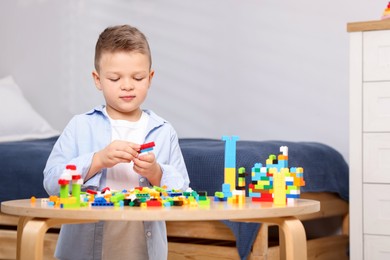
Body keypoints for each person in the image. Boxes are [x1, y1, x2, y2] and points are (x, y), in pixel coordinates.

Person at [43, 24, 190, 260]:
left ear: (150, 78)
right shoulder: (80, 126)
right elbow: (51, 182)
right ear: (98, 79)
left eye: (138, 77)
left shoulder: (163, 131)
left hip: (143, 251)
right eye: (115, 78)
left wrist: (156, 172)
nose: (127, 85)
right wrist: (97, 160)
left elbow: (183, 192)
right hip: (85, 252)